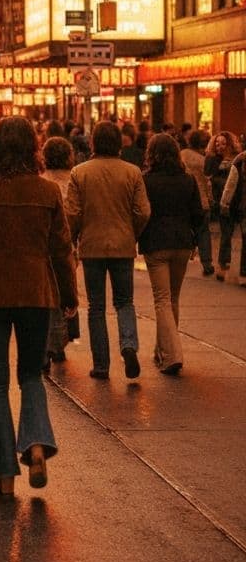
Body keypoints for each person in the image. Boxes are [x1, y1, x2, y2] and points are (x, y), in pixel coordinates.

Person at [0, 117, 78, 498]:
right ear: (31, 149)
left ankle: (3, 473)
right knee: (31, 375)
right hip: (36, 294)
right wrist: (69, 298)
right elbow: (61, 251)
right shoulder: (47, 192)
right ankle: (35, 444)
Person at [65, 121, 151, 380]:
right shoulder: (132, 172)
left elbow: (72, 213)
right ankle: (128, 344)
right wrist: (131, 232)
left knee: (96, 307)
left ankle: (101, 365)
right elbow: (143, 211)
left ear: (93, 143)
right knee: (125, 302)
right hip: (123, 245)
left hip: (91, 247)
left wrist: (74, 238)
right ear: (119, 142)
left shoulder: (80, 173)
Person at [139, 134, 205, 375]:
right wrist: (195, 240)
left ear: (151, 154)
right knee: (172, 298)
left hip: (156, 243)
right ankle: (162, 350)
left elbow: (141, 211)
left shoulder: (147, 181)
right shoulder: (187, 180)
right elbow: (198, 214)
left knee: (161, 299)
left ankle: (172, 355)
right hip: (182, 242)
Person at [41, 135, 77, 368]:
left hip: (44, 246)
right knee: (66, 290)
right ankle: (60, 341)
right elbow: (76, 213)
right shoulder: (74, 180)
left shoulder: (42, 181)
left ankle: (49, 343)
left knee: (49, 294)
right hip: (68, 244)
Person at [205, 131, 239, 280]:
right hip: (222, 202)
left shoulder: (237, 161)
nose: (220, 146)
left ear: (230, 144)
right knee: (226, 233)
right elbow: (208, 178)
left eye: (223, 143)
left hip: (236, 201)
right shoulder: (212, 160)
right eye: (217, 143)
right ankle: (223, 265)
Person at [181, 130, 214, 276]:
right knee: (203, 232)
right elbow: (208, 183)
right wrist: (211, 199)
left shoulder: (181, 155)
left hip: (184, 200)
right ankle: (207, 263)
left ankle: (181, 259)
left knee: (184, 229)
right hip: (202, 202)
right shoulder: (203, 161)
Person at [218, 146, 246, 287]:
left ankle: (243, 273)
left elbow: (231, 184)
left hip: (241, 205)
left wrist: (224, 203)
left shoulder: (240, 160)